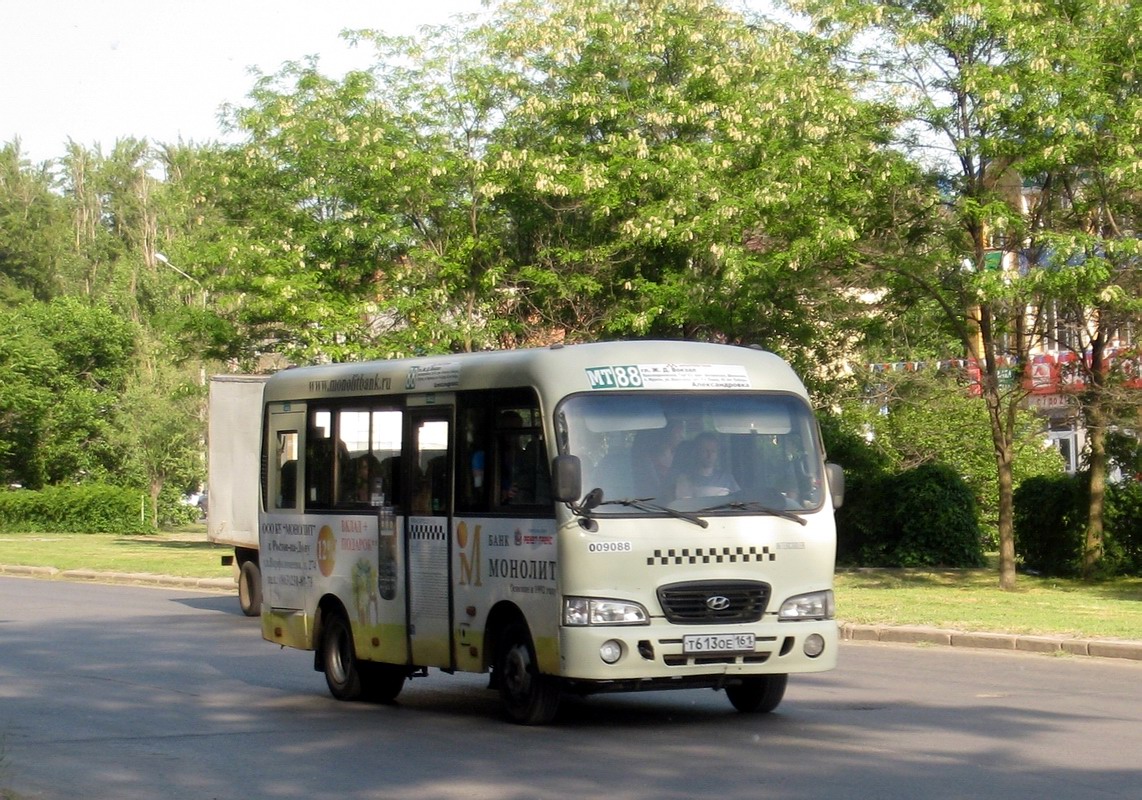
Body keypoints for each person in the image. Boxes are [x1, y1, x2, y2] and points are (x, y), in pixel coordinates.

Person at [676, 431, 739, 498]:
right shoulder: (685, 479)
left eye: (713, 451)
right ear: (696, 452)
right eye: (705, 451)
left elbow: (738, 501)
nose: (710, 455)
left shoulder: (727, 478)